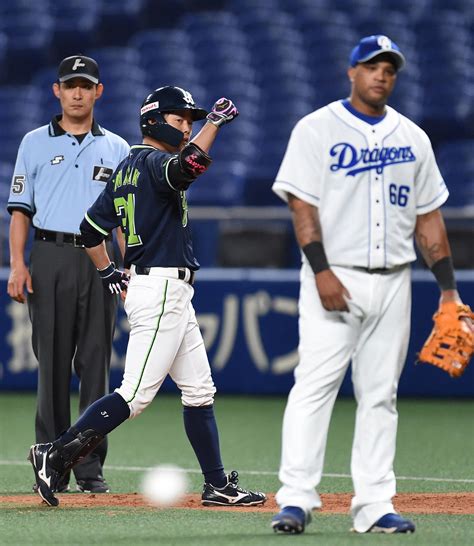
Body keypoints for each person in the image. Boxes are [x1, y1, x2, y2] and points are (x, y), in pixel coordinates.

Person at [27, 85, 267, 509]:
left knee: (199, 390)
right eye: (180, 120)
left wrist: (108, 273)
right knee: (135, 395)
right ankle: (56, 452)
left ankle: (216, 485)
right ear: (155, 121)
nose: (188, 126)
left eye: (191, 120)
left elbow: (89, 230)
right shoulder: (156, 162)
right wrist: (214, 123)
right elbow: (190, 167)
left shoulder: (125, 167)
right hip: (160, 289)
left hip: (161, 287)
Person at [270, 35, 469, 535]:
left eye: (389, 68)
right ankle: (295, 499)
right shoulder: (316, 129)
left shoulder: (413, 137)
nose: (381, 75)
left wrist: (449, 290)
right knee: (315, 387)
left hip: (395, 280)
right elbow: (302, 206)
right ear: (351, 72)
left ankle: (376, 504)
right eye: (371, 66)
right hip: (335, 275)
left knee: (381, 395)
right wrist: (320, 271)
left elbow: (429, 220)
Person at [7, 55, 130, 494]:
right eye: (69, 85)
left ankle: (89, 467)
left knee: (96, 366)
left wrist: (126, 270)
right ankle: (50, 462)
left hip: (98, 262)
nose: (77, 92)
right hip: (49, 254)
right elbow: (21, 210)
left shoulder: (117, 148)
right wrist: (18, 264)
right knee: (53, 366)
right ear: (56, 91)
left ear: (99, 91)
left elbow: (121, 221)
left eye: (86, 85)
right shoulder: (34, 142)